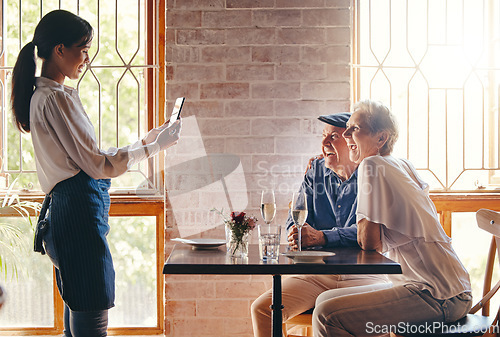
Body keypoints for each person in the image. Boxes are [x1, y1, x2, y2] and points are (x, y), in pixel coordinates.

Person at [10, 10, 181, 336]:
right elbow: (96, 164)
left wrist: (147, 140)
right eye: (82, 49)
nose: (86, 58)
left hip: (66, 215)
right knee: (91, 319)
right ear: (60, 50)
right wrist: (155, 148)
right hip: (76, 215)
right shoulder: (55, 99)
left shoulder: (44, 96)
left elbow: (88, 156)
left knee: (79, 313)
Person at [312, 99, 472, 337]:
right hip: (452, 288)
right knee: (324, 299)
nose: (345, 134)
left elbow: (369, 242)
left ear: (381, 138)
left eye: (355, 128)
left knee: (327, 314)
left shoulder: (371, 165)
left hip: (437, 294)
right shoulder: (400, 164)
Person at [251, 113, 390, 337]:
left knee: (364, 321)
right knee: (262, 310)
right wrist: (295, 232)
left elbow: (370, 235)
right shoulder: (315, 170)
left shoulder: (373, 173)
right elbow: (295, 216)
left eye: (333, 136)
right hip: (316, 275)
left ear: (352, 142)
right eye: (324, 136)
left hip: (364, 275)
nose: (324, 143)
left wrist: (322, 237)